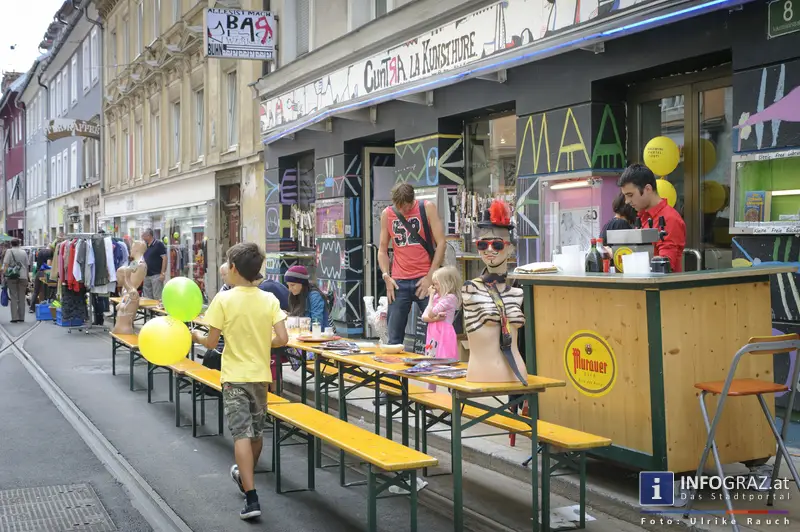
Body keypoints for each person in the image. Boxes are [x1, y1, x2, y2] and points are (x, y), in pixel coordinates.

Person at [192, 243, 288, 521]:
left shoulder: (223, 300)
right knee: (255, 434)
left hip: (234, 377)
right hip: (260, 376)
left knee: (241, 434)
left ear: (233, 269)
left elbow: (211, 342)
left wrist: (194, 337)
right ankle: (245, 478)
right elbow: (283, 339)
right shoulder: (269, 299)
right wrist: (261, 342)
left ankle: (251, 495)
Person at [378, 183, 446, 345]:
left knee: (438, 330)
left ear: (413, 200)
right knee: (394, 337)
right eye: (398, 207)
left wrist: (431, 276)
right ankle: (393, 370)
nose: (402, 211)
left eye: (406, 207)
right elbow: (382, 249)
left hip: (425, 278)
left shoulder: (427, 208)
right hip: (399, 281)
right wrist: (386, 275)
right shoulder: (387, 214)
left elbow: (441, 243)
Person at [618, 163, 686, 273]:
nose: (627, 201)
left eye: (630, 195)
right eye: (625, 196)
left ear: (648, 189)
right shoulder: (643, 216)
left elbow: (664, 264)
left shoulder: (669, 219)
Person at [421, 266, 462, 392]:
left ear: (446, 284)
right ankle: (430, 393)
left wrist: (431, 303)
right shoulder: (437, 298)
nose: (433, 288)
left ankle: (453, 394)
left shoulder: (450, 298)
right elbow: (424, 317)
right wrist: (435, 317)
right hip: (434, 333)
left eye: (436, 284)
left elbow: (431, 312)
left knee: (445, 363)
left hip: (444, 334)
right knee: (431, 362)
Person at [3, 239, 29, 323]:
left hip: (12, 277)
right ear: (19, 244)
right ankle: (21, 317)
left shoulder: (9, 251)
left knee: (13, 297)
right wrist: (27, 277)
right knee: (22, 297)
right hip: (23, 277)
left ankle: (14, 318)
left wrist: (4, 275)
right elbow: (27, 266)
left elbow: (6, 264)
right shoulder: (24, 252)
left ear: (11, 244)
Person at [141, 229, 167, 299]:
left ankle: (157, 310)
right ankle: (149, 310)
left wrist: (162, 273)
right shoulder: (145, 246)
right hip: (146, 275)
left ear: (149, 236)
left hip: (156, 275)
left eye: (143, 236)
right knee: (147, 298)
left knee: (157, 297)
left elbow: (164, 258)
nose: (142, 238)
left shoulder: (159, 244)